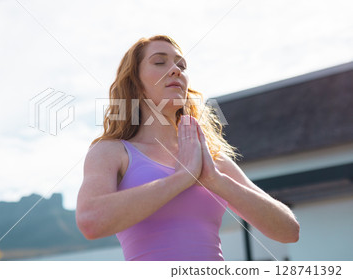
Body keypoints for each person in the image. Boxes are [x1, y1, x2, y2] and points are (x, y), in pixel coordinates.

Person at [76, 35, 300, 261]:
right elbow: (90, 221)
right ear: (136, 85)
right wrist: (182, 177)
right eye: (160, 62)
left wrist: (215, 180)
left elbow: (289, 231)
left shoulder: (209, 158)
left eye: (181, 65)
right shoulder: (111, 152)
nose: (175, 70)